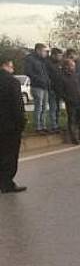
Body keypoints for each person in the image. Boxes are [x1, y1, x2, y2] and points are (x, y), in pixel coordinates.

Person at [0, 55, 27, 193]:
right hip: (9, 125)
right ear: (5, 65)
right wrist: (22, 122)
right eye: (11, 65)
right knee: (10, 154)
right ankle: (7, 183)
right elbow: (17, 106)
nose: (13, 68)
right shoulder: (12, 82)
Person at [55, 59, 80, 145]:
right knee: (72, 120)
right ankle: (74, 138)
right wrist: (68, 99)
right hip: (70, 102)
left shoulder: (76, 75)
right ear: (67, 66)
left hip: (79, 100)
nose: (74, 67)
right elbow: (60, 91)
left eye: (74, 66)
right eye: (72, 66)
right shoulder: (62, 77)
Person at [24, 43, 50, 133]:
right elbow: (29, 72)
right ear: (38, 50)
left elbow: (46, 72)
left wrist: (47, 81)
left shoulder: (43, 60)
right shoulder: (30, 59)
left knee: (44, 107)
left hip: (45, 86)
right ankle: (38, 127)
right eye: (44, 51)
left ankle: (43, 125)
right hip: (37, 86)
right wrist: (40, 80)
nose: (45, 53)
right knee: (38, 106)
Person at [46, 48, 64, 134]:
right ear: (53, 55)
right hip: (52, 89)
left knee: (58, 108)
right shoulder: (47, 63)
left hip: (59, 90)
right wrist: (50, 86)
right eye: (59, 55)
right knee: (53, 108)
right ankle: (53, 125)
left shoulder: (59, 64)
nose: (61, 57)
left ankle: (57, 124)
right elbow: (47, 76)